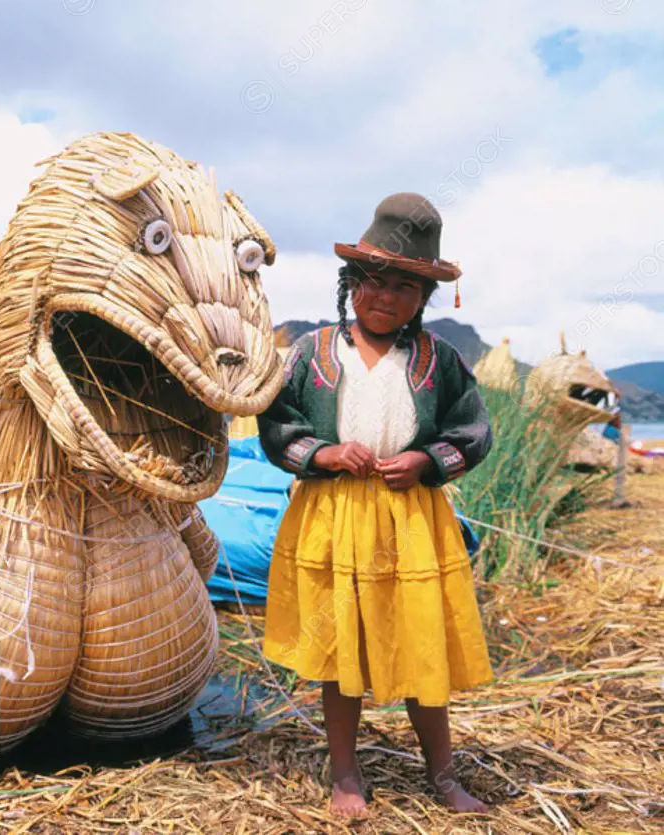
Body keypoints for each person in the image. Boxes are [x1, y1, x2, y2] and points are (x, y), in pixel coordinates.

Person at [257, 193, 494, 818]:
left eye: (403, 287)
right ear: (349, 283)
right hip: (333, 518)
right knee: (340, 650)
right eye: (371, 282)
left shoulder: (441, 362)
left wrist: (425, 462)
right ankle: (345, 773)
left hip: (412, 519)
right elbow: (277, 427)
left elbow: (471, 433)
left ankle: (443, 776)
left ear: (423, 298)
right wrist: (324, 455)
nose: (384, 297)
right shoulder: (310, 354)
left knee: (422, 645)